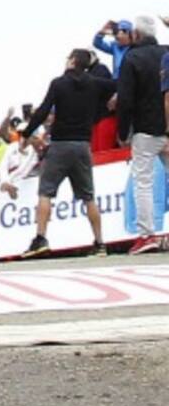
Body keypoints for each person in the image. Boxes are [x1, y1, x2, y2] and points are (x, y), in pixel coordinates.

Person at [19, 49, 116, 257]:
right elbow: (118, 84)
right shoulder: (95, 83)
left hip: (60, 144)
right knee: (89, 197)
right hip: (83, 145)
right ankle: (100, 243)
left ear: (72, 61)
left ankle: (40, 238)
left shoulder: (58, 83)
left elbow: (44, 110)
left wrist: (26, 134)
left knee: (46, 192)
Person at [116, 16, 169, 253]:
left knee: (143, 182)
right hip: (167, 125)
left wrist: (122, 131)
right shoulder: (166, 53)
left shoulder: (132, 58)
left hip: (146, 128)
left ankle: (147, 234)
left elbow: (125, 99)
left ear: (135, 34)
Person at [0, 127, 42, 201]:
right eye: (21, 134)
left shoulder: (35, 152)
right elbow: (3, 165)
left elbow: (24, 170)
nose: (23, 137)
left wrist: (9, 181)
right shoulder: (12, 147)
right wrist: (5, 181)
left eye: (26, 135)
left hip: (28, 187)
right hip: (8, 185)